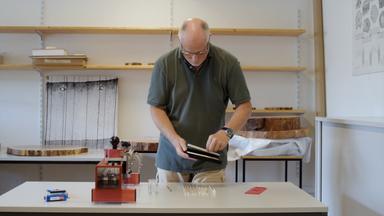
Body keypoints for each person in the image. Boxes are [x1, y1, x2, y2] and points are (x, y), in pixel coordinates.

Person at [147, 18, 252, 183]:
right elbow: (156, 108)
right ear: (179, 40)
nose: (195, 59)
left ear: (210, 38)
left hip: (210, 160)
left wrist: (227, 133)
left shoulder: (228, 63)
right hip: (172, 158)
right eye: (187, 52)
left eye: (201, 52)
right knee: (169, 209)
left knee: (207, 209)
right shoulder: (164, 64)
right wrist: (174, 139)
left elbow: (244, 107)